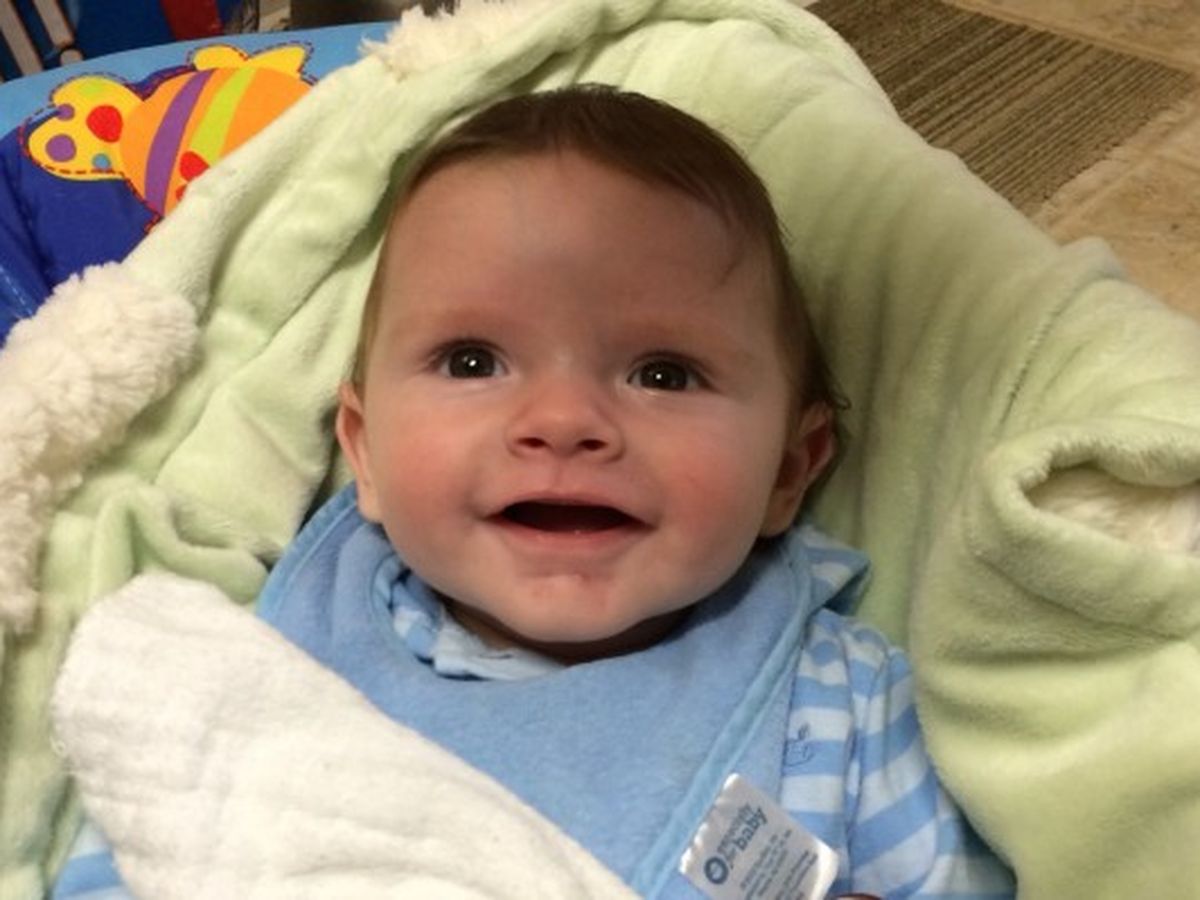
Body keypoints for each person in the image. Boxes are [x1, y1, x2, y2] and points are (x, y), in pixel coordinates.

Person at [54, 86, 1014, 899]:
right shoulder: (275, 657)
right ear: (366, 453)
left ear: (788, 472)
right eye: (472, 361)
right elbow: (150, 837)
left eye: (664, 373)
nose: (563, 421)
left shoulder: (837, 707)